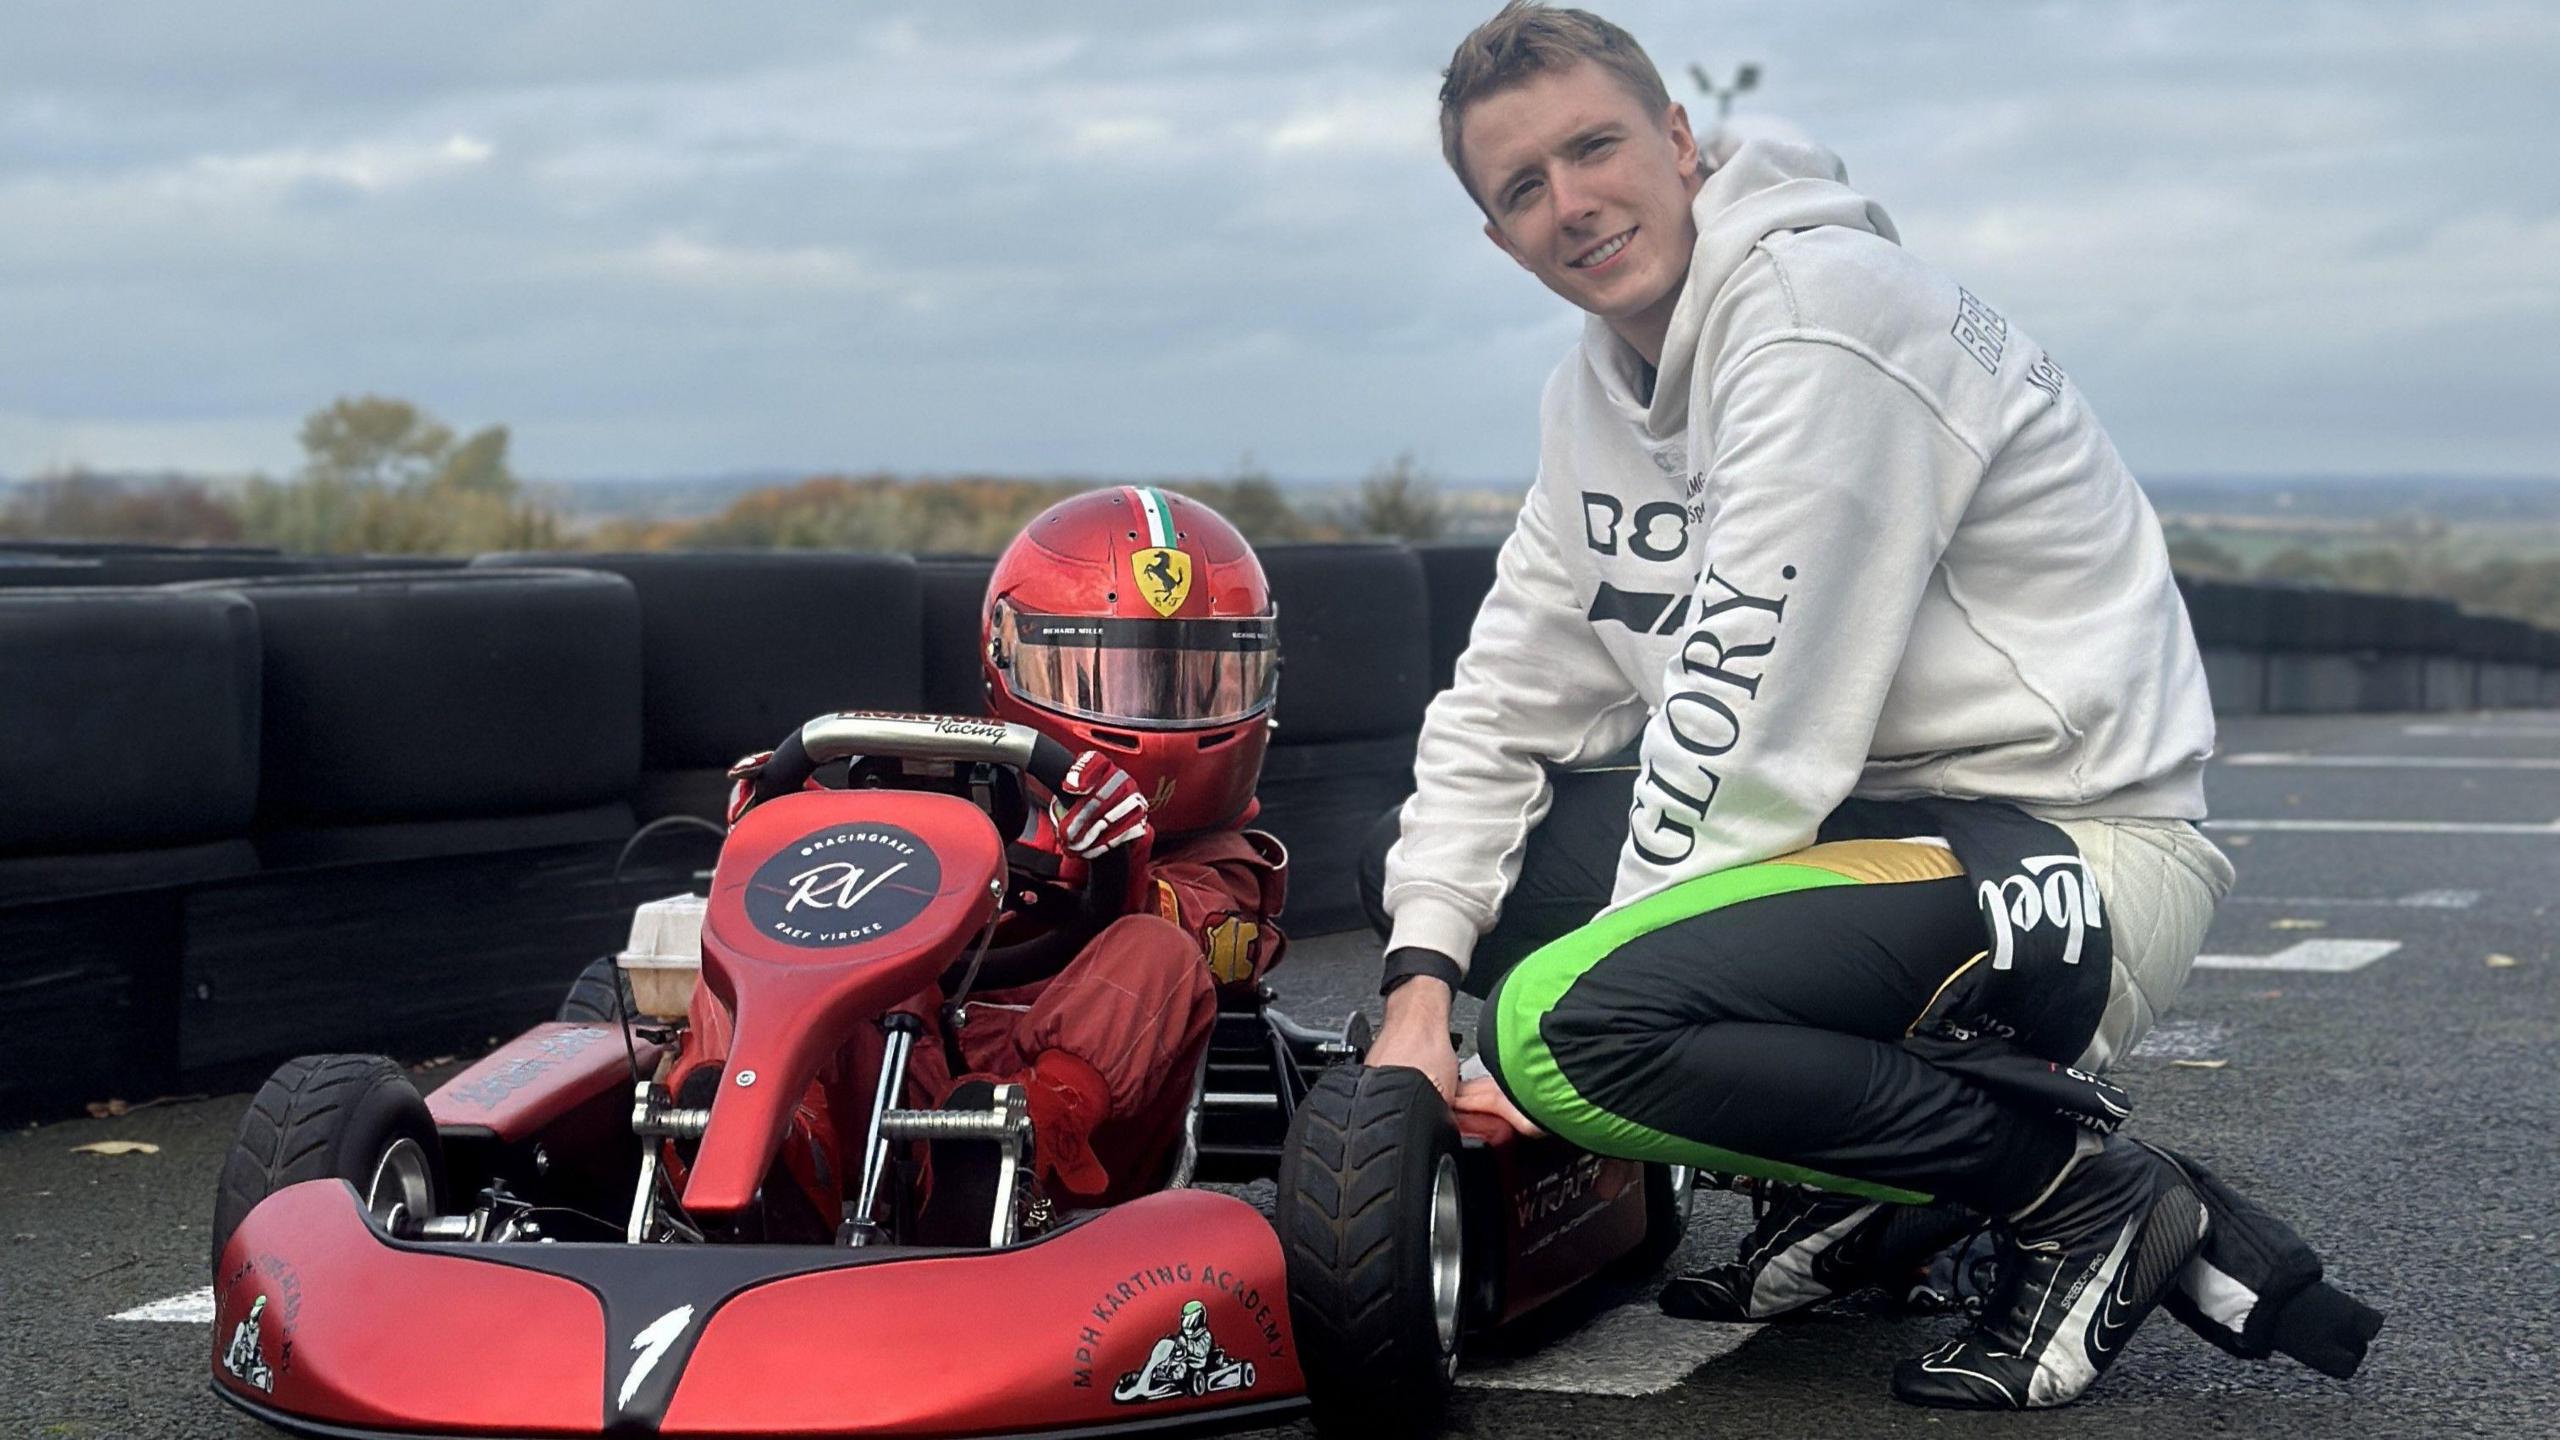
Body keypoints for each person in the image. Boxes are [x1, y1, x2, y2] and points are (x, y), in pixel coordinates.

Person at [1357, 2, 2250, 1409]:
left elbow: (1742, 730)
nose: (1572, 204)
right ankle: (1873, 1193)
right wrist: (1415, 993)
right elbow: (1502, 701)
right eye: (1523, 187)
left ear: (1678, 138)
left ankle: (2082, 1196)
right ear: (1495, 237)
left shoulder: (1824, 320)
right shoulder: (1593, 398)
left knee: (1567, 1025)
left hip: (2075, 857)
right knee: (1440, 880)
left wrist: (1544, 1049)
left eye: (1594, 147)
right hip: (1885, 840)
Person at [899, 486, 1290, 1236]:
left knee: (1154, 949)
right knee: (810, 947)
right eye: (1108, 678)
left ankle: (1016, 1151)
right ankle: (769, 1148)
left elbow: (1204, 936)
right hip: (911, 1075)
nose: (1161, 714)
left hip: (1091, 1145)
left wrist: (1114, 863)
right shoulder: (963, 811)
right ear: (1005, 659)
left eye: (1193, 682)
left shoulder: (1228, 863)